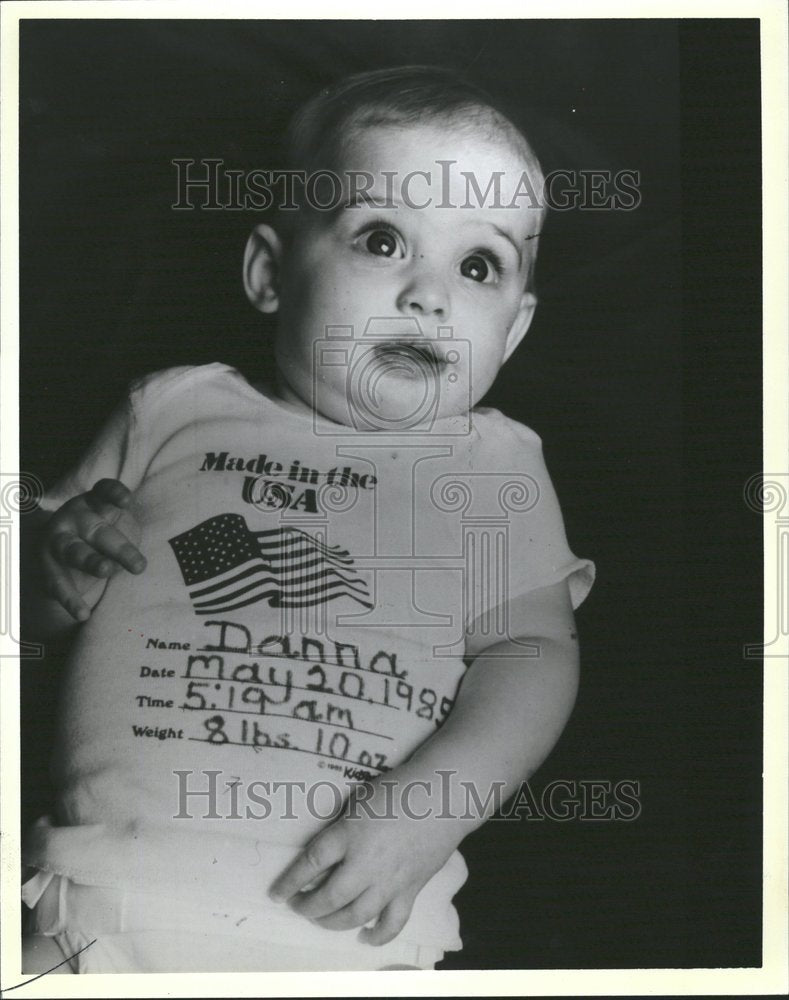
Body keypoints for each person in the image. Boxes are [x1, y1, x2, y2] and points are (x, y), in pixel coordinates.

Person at [21, 66, 594, 973]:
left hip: (352, 929)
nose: (427, 295)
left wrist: (426, 811)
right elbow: (30, 618)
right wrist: (48, 574)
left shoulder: (493, 465)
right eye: (380, 240)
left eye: (476, 264)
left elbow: (531, 656)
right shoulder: (171, 411)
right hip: (100, 907)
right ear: (269, 272)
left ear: (514, 330)